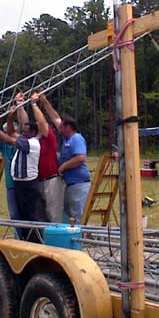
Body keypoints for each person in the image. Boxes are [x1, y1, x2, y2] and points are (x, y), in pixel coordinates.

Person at [0, 115, 45, 240]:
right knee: (21, 214)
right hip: (20, 183)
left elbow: (9, 139)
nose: (22, 134)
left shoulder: (32, 143)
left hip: (28, 184)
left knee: (30, 215)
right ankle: (24, 239)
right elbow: (11, 132)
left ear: (33, 133)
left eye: (25, 132)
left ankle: (35, 241)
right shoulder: (26, 139)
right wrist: (10, 116)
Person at [40, 94, 91, 224]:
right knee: (70, 213)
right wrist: (45, 102)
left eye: (62, 126)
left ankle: (81, 235)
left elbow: (80, 158)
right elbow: (55, 118)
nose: (59, 128)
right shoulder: (66, 139)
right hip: (70, 184)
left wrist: (63, 167)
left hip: (79, 184)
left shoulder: (76, 138)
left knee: (78, 215)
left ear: (68, 127)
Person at [16, 92, 64, 223]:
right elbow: (24, 124)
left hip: (52, 181)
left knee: (54, 215)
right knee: (41, 216)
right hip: (38, 181)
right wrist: (20, 106)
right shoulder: (32, 140)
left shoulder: (49, 138)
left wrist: (34, 104)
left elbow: (42, 123)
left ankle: (56, 236)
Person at [0, 106, 21, 238]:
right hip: (10, 184)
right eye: (5, 131)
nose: (6, 134)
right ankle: (18, 238)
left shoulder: (20, 142)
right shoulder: (4, 145)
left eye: (9, 131)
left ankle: (25, 238)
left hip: (22, 183)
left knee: (23, 213)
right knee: (14, 214)